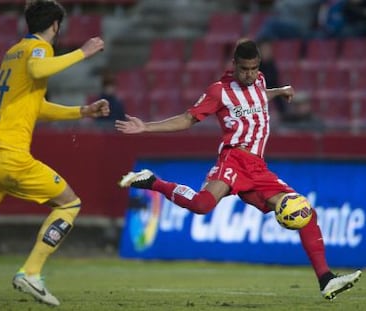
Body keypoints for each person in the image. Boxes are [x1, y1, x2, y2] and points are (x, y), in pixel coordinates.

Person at [116, 39, 361, 300]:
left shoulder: (260, 81)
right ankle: (153, 181)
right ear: (234, 65)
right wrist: (146, 127)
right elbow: (188, 119)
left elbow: (256, 97)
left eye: (254, 68)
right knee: (201, 205)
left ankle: (326, 279)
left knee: (306, 212)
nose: (250, 74)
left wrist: (279, 91)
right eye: (244, 69)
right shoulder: (218, 91)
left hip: (258, 168)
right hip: (234, 159)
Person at [0, 0, 109, 307]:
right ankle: (31, 272)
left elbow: (36, 107)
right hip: (9, 156)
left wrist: (82, 111)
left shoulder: (12, 53)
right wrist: (82, 52)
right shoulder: (39, 50)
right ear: (55, 26)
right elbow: (40, 66)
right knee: (70, 203)